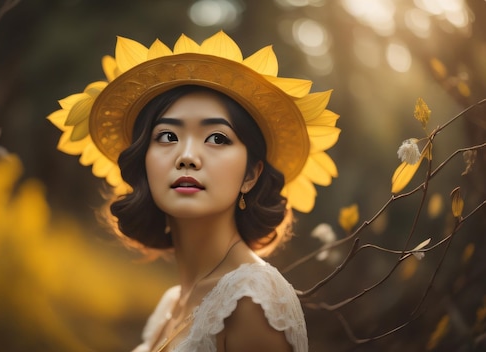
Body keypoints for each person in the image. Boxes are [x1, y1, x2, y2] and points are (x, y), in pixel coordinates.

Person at [47, 31, 340, 352]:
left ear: (250, 175)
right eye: (168, 136)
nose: (187, 156)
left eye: (217, 138)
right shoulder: (172, 303)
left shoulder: (253, 300)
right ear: (143, 161)